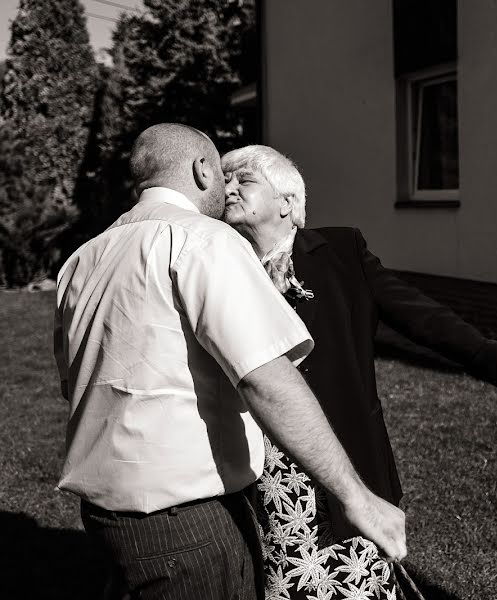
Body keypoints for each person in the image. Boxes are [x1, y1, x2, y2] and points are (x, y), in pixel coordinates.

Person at [53, 124, 406, 600]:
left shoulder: (82, 259)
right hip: (187, 524)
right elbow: (266, 378)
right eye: (223, 173)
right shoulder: (204, 241)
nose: (229, 187)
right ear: (203, 170)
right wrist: (358, 498)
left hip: (106, 518)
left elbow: (71, 378)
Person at [220, 144, 497, 598]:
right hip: (254, 465)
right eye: (225, 179)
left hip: (337, 454)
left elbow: (422, 317)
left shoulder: (341, 253)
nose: (228, 188)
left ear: (288, 203)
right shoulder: (219, 265)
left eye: (243, 180)